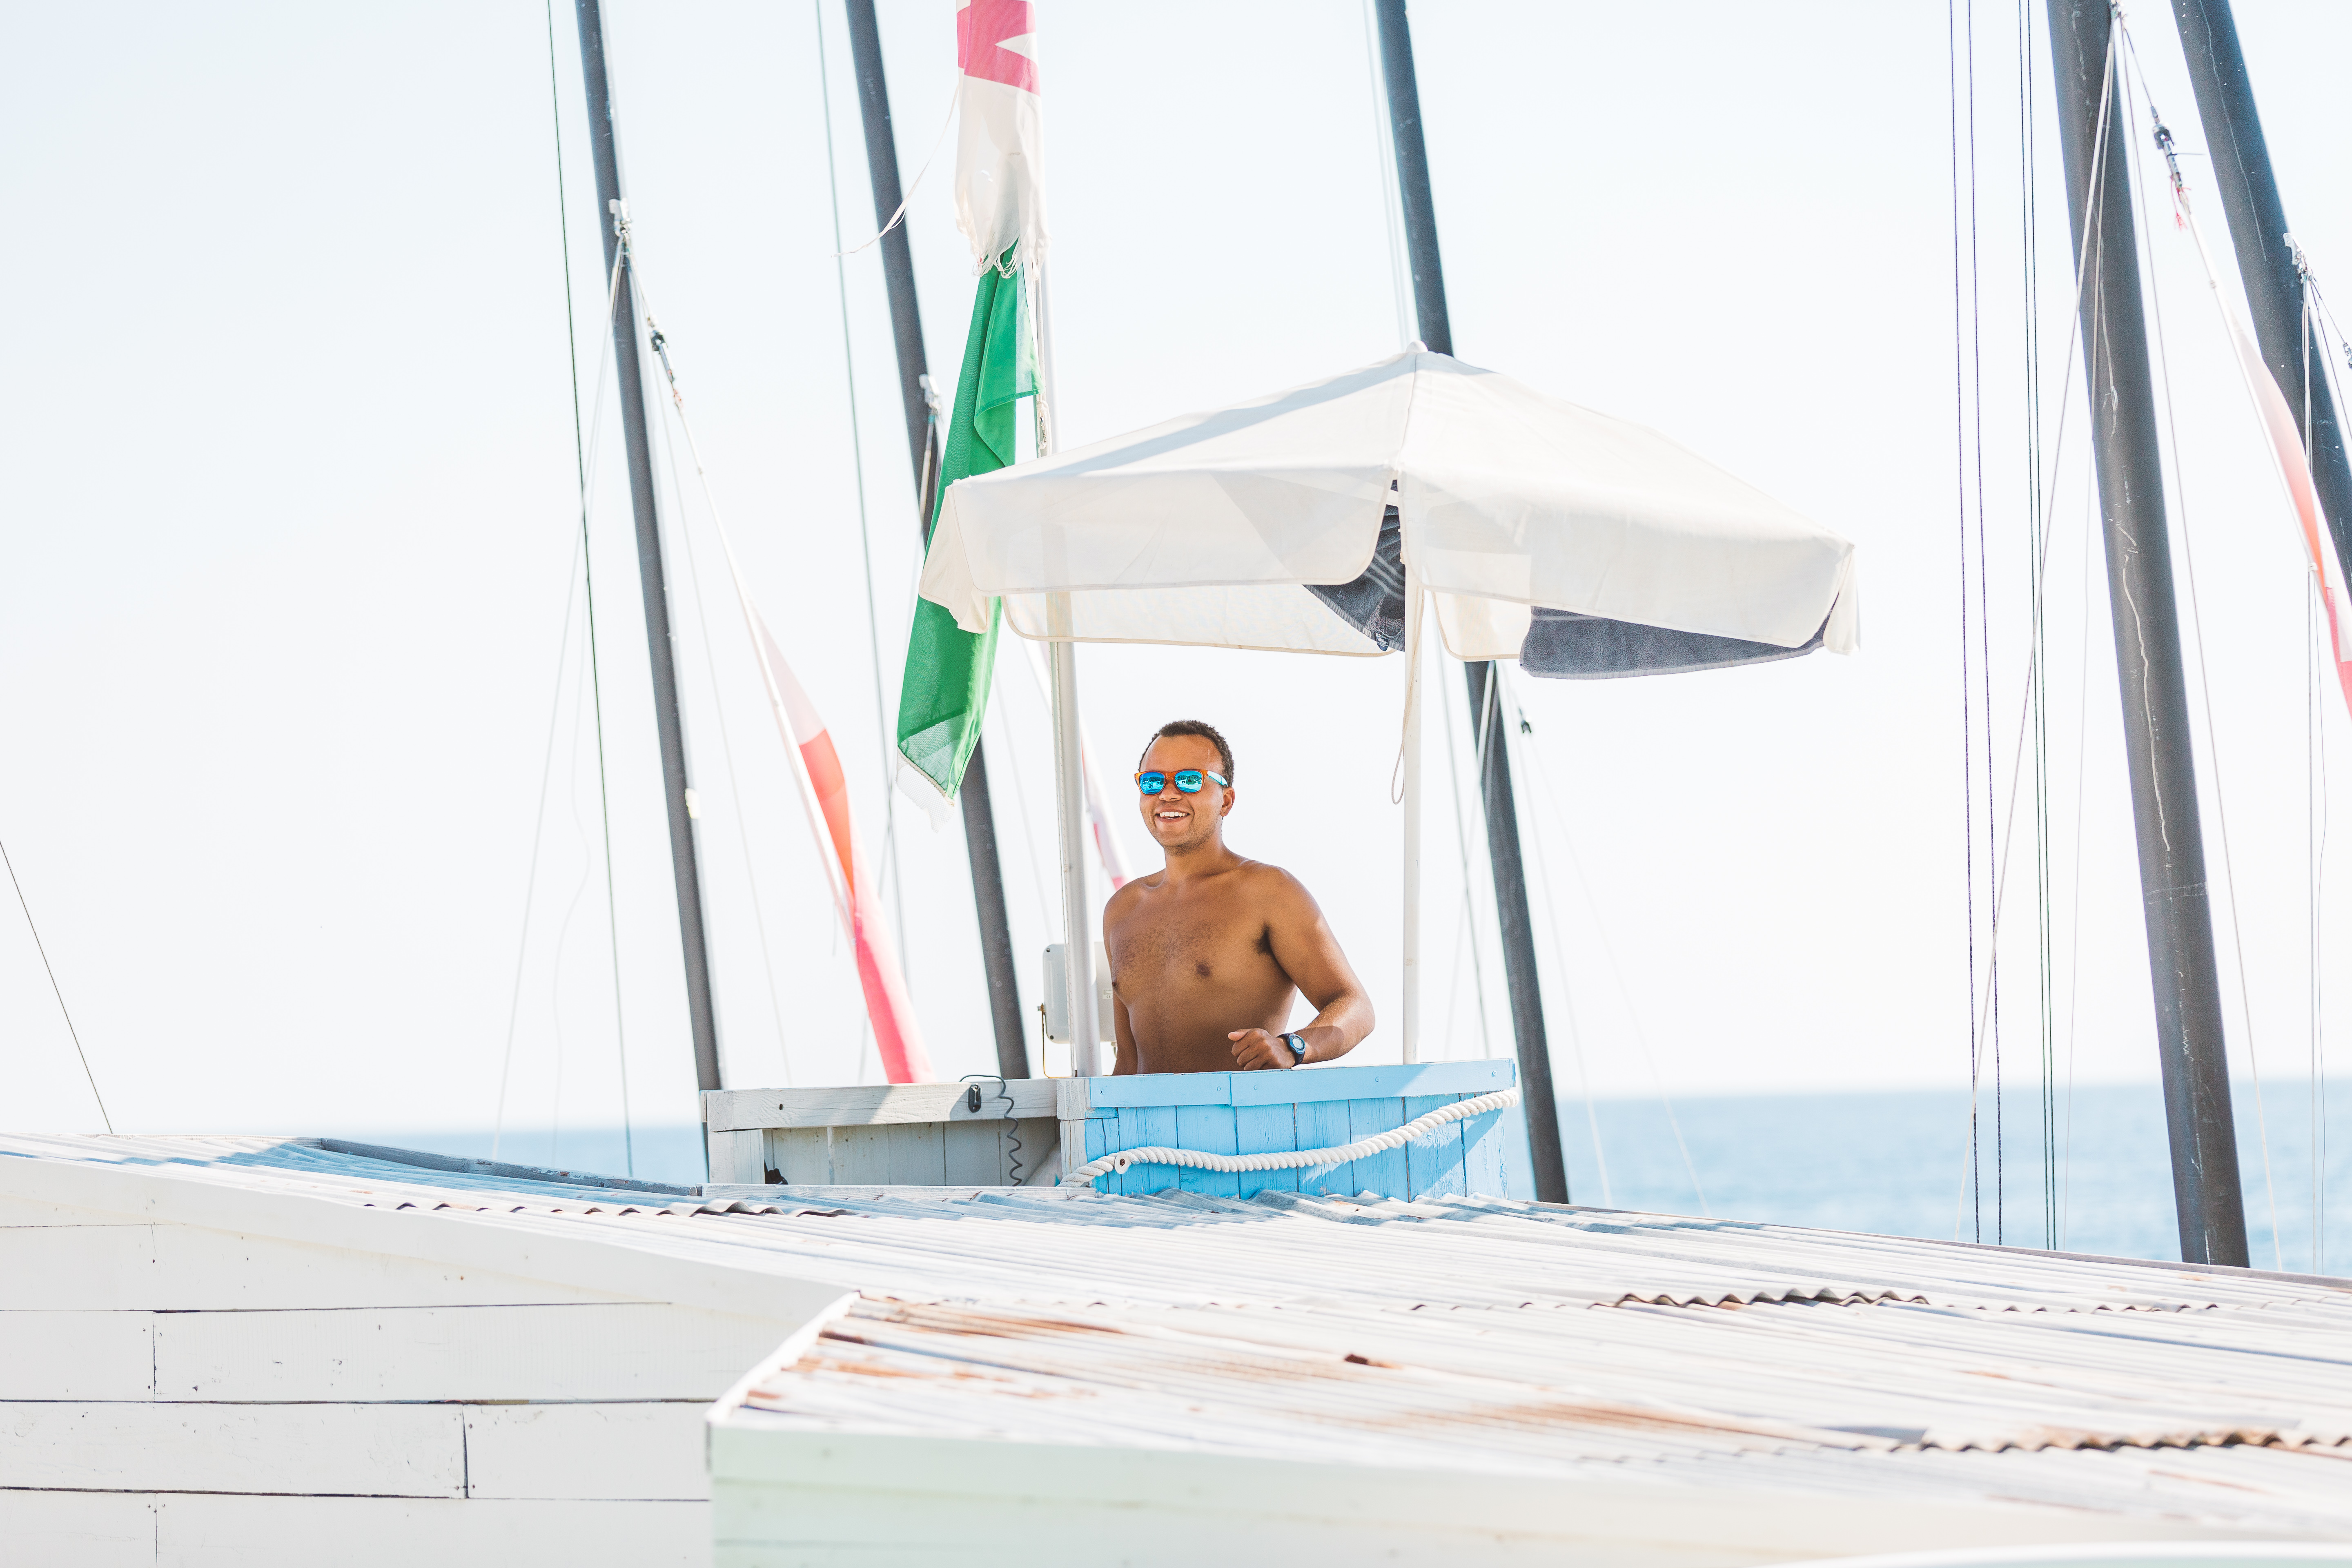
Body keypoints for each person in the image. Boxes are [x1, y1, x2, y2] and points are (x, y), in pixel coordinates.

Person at [1103, 719, 1374, 1074]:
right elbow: (1128, 1061)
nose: (1167, 794)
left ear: (1226, 801)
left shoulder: (1268, 891)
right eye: (1153, 782)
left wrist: (1292, 1047)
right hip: (1140, 1127)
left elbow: (1356, 1007)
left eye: (1190, 780)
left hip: (1242, 1124)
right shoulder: (1122, 909)